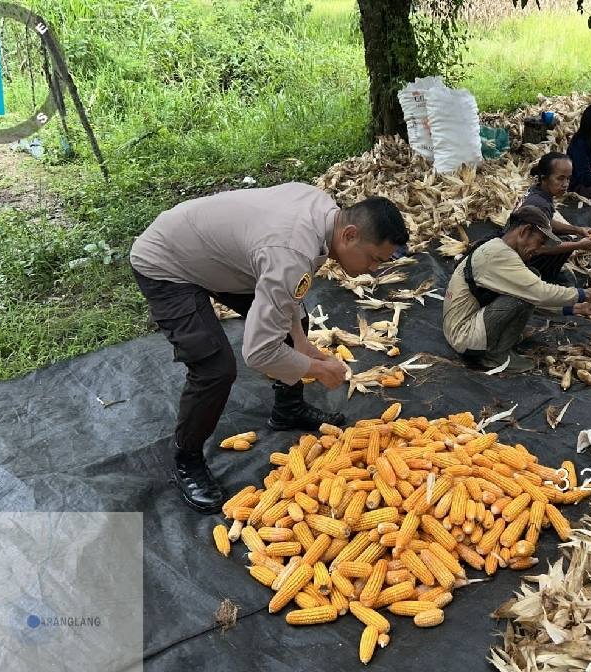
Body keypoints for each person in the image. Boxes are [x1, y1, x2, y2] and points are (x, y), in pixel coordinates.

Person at [130, 184, 409, 513]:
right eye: (374, 259)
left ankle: (287, 410)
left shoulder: (324, 214)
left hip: (220, 256)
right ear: (349, 235)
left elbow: (288, 289)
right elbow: (258, 352)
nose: (374, 270)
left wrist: (302, 344)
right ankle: (186, 458)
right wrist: (318, 369)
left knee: (297, 325)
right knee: (214, 368)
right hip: (167, 262)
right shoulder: (292, 251)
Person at [442, 206, 591, 373]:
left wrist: (575, 308)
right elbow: (538, 293)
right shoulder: (496, 254)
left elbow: (533, 295)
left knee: (527, 283)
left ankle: (493, 344)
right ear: (524, 231)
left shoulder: (498, 248)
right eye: (539, 242)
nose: (538, 249)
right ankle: (496, 356)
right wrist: (585, 294)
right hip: (463, 336)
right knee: (522, 294)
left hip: (461, 328)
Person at [519, 152, 591, 283]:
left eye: (568, 178)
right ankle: (543, 277)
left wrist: (578, 230)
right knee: (567, 242)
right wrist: (577, 245)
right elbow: (537, 248)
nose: (566, 184)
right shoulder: (539, 203)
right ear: (544, 177)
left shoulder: (539, 191)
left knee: (567, 238)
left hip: (523, 243)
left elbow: (547, 222)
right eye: (560, 178)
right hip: (519, 256)